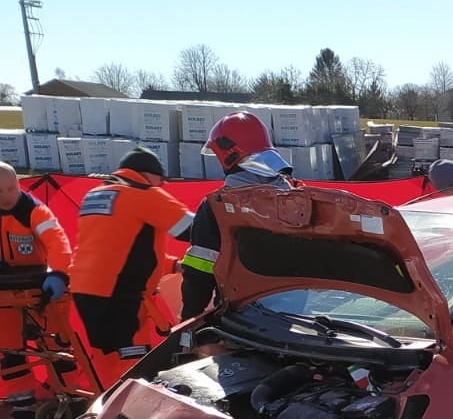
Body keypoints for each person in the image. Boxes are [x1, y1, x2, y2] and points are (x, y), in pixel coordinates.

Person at [70, 148, 195, 388]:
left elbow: (114, 247)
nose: (163, 185)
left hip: (84, 290)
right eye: (161, 180)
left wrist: (172, 265)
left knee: (106, 354)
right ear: (149, 175)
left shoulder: (95, 195)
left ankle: (105, 409)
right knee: (134, 357)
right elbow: (193, 228)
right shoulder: (142, 192)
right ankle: (129, 411)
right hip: (120, 292)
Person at [180, 112, 295, 319]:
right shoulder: (297, 200)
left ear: (228, 154)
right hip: (297, 319)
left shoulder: (216, 207)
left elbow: (200, 273)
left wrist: (188, 320)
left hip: (240, 322)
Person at [0, 161, 74, 419]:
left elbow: (58, 242)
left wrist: (57, 274)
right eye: (2, 190)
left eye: (12, 187)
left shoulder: (34, 212)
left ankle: (71, 400)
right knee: (9, 353)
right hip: (5, 294)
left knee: (59, 348)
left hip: (42, 290)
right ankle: (23, 411)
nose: (9, 195)